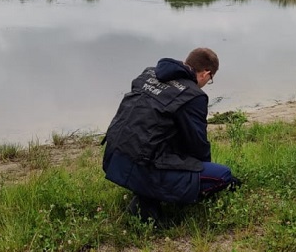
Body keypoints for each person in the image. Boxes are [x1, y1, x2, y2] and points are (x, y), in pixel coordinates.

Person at [101, 47, 240, 225]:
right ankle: (146, 206)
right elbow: (198, 145)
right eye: (210, 79)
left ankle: (145, 193)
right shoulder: (194, 95)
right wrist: (200, 172)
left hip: (113, 157)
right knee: (222, 175)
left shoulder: (148, 74)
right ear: (206, 73)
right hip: (141, 164)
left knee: (171, 146)